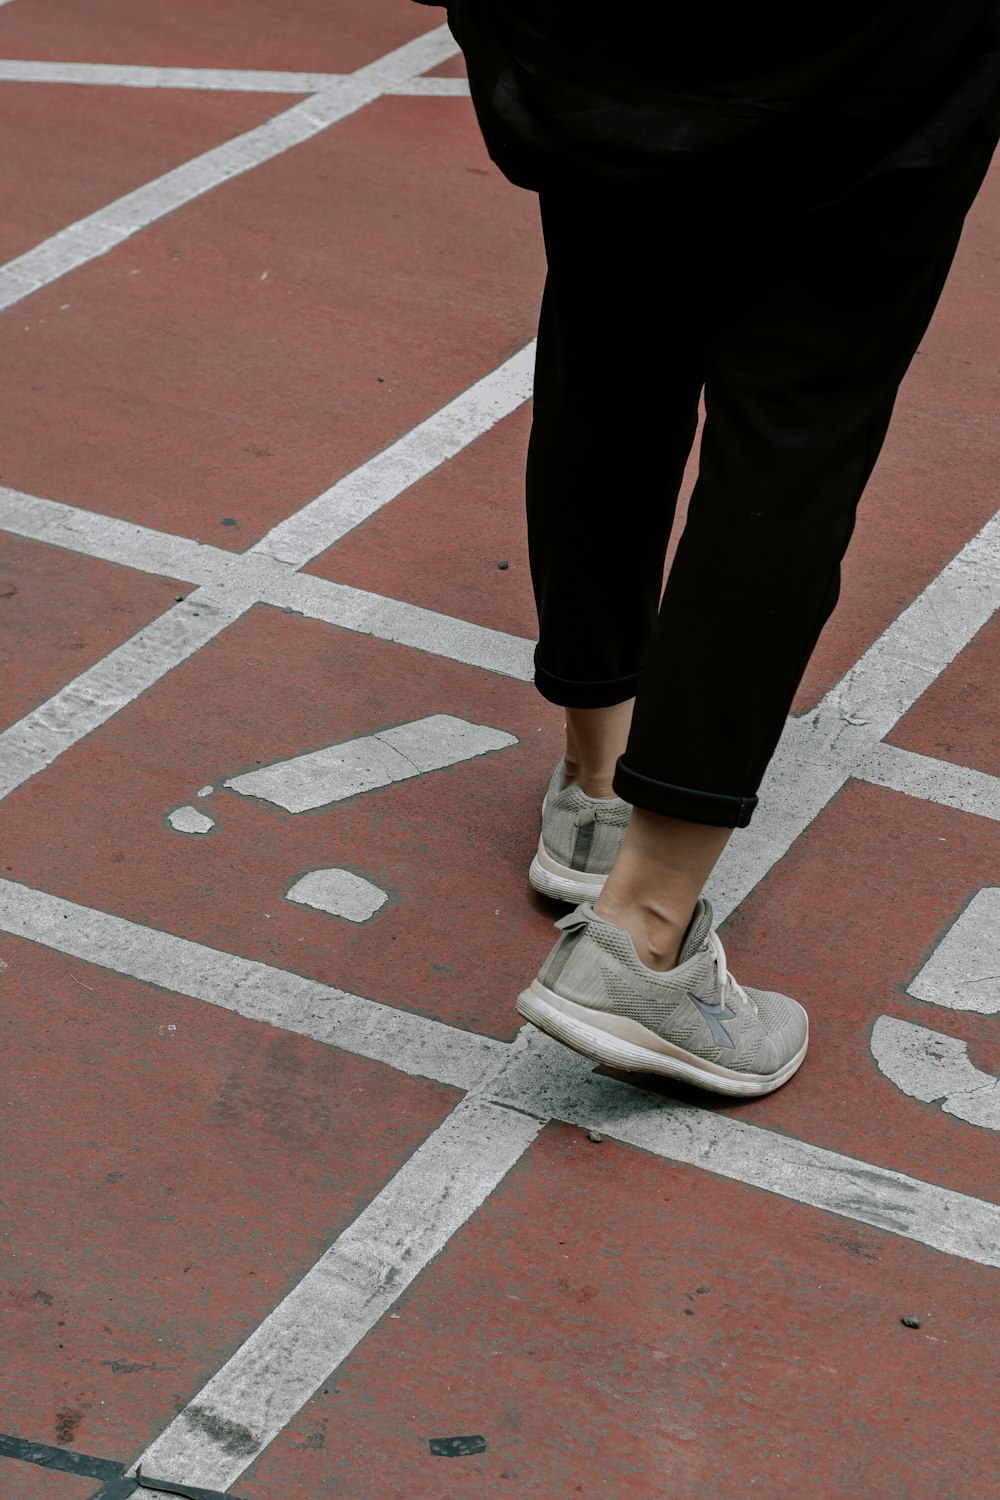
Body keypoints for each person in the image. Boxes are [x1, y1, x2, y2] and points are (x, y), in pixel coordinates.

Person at [413, 1, 1000, 1095]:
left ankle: (594, 797)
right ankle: (639, 934)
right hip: (869, 63)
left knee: (607, 355)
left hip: (613, 32)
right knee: (794, 427)